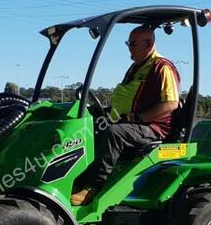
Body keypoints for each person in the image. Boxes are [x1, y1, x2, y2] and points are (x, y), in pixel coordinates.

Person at [70, 25, 180, 206]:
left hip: (152, 128)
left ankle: (93, 186)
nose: (129, 47)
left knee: (114, 133)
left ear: (149, 43)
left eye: (133, 43)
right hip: (129, 122)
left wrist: (138, 118)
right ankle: (77, 180)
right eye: (128, 43)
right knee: (89, 128)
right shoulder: (136, 67)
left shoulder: (162, 67)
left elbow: (170, 104)